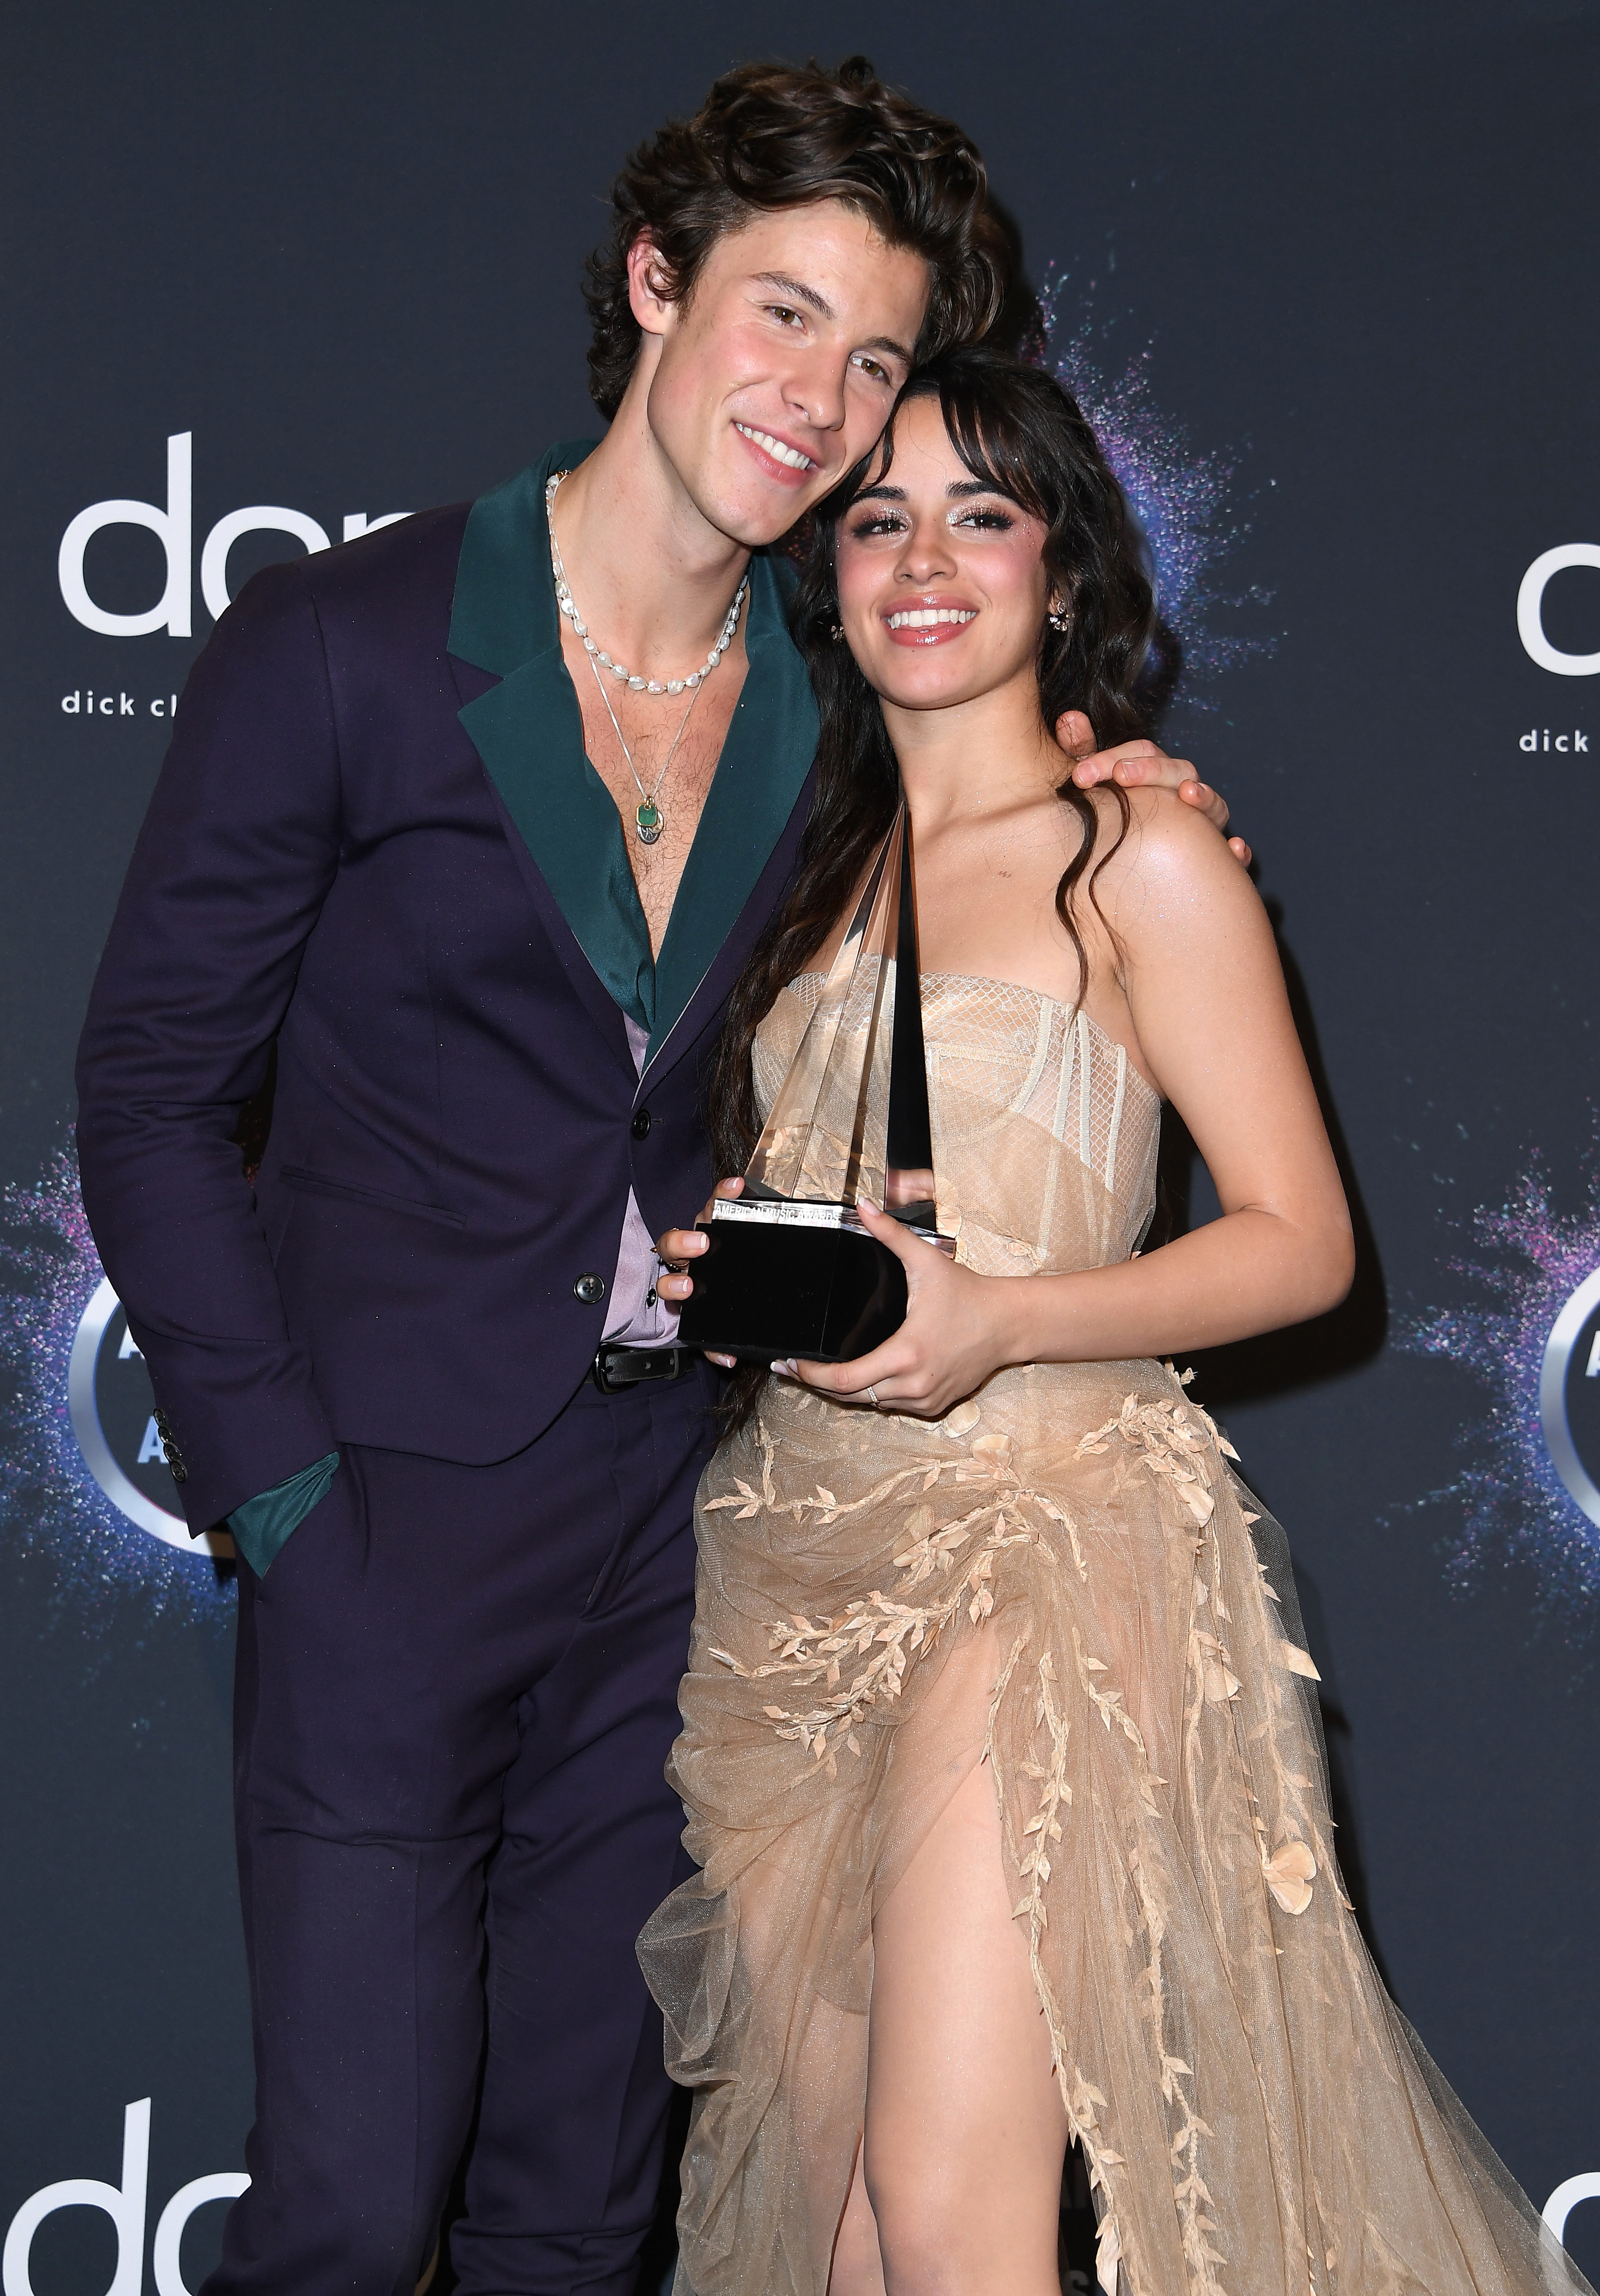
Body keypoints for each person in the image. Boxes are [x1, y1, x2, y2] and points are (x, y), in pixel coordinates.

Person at [74, 59, 1242, 2296]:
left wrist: (1131, 793)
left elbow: (1017, 820)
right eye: (782, 311)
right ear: (654, 284)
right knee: (341, 2213)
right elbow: (145, 1095)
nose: (821, 399)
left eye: (876, 354)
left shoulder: (834, 703)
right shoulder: (345, 647)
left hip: (685, 1554)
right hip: (381, 1527)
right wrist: (287, 1500)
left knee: (579, 2217)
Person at [645, 349, 1591, 2296]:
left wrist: (1001, 1316)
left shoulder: (1136, 855)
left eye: (981, 513)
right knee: (816, 2227)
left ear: (1059, 566)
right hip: (795, 1577)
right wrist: (735, 1266)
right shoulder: (795, 877)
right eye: (876, 515)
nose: (923, 558)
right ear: (821, 566)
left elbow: (1305, 1247)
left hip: (1051, 1541)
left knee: (947, 2200)